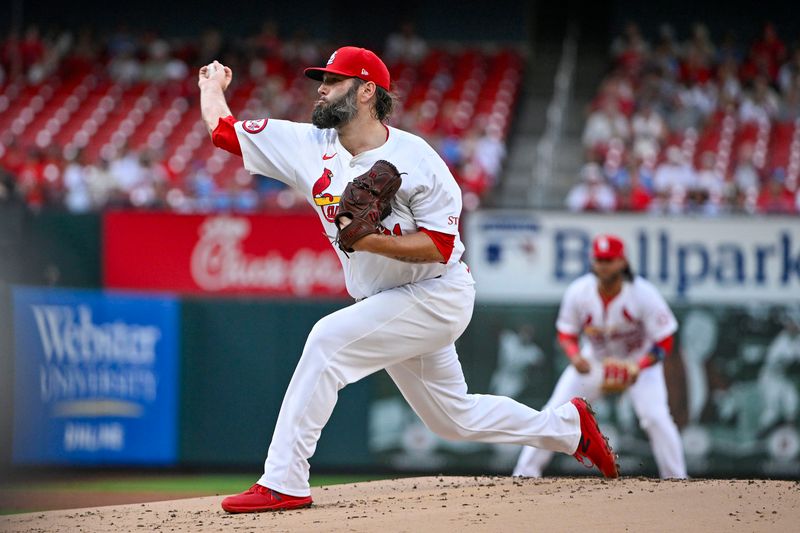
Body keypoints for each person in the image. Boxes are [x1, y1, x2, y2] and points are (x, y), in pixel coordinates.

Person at [198, 46, 619, 514]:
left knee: (326, 341)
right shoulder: (308, 145)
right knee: (451, 420)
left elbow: (440, 245)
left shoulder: (417, 159)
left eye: (333, 81)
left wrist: (370, 239)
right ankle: (569, 428)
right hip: (385, 299)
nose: (321, 88)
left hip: (438, 293)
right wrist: (211, 87)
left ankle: (284, 480)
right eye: (322, 79)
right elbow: (224, 133)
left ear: (365, 92)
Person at [513, 235, 687, 479]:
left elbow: (665, 339)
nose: (604, 265)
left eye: (609, 260)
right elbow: (566, 333)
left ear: (622, 262)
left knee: (656, 417)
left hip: (637, 363)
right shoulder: (579, 291)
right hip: (594, 361)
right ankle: (525, 473)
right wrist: (574, 357)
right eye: (599, 260)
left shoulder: (643, 293)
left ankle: (677, 478)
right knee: (553, 411)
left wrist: (640, 365)